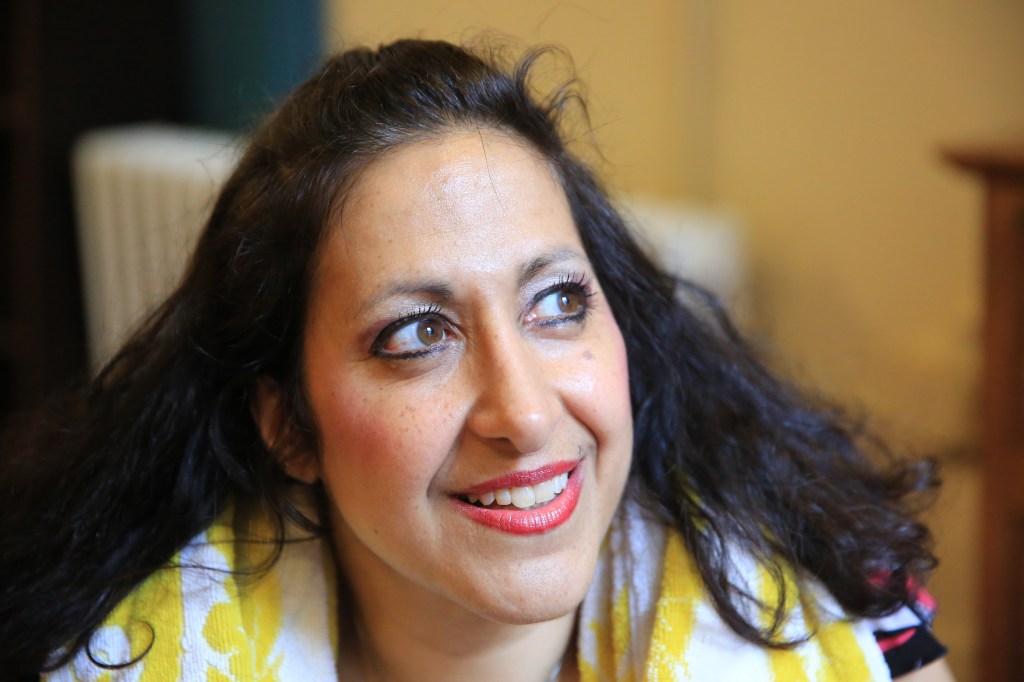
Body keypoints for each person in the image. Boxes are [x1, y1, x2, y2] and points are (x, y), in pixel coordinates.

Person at [0, 39, 953, 681]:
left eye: (558, 303)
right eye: (418, 334)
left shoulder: (849, 624)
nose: (526, 414)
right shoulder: (114, 656)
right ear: (289, 425)